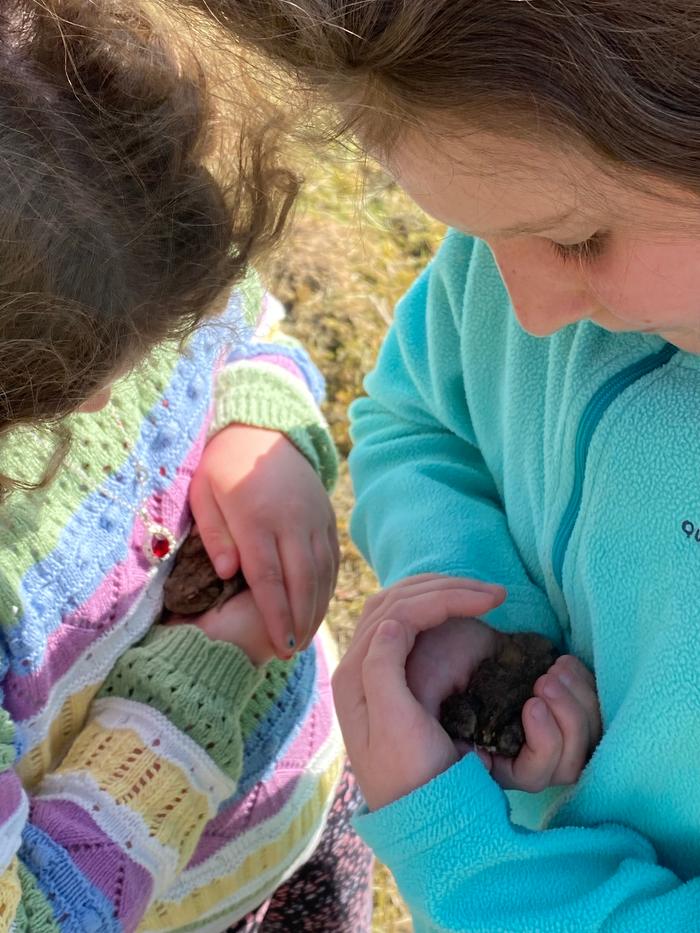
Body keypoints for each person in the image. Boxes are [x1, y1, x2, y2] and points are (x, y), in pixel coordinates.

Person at [183, 1, 700, 929]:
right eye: (470, 233)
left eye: (579, 239)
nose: (526, 311)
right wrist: (488, 619)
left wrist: (465, 856)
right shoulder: (532, 234)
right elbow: (417, 417)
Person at [0, 2, 373, 930]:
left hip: (296, 792)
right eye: (76, 383)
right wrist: (201, 681)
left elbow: (237, 320)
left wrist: (262, 428)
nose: (113, 398)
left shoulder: (101, 215)